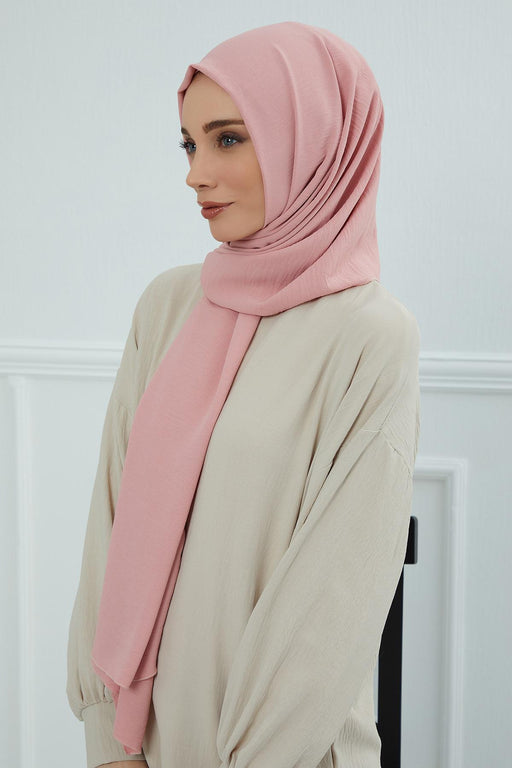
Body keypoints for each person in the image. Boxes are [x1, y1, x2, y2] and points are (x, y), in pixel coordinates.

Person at [66, 20, 421, 768]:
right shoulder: (168, 306)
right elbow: (111, 519)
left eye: (228, 139)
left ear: (314, 141)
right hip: (138, 745)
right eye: (189, 145)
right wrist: (110, 740)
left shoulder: (369, 336)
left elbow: (332, 604)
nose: (195, 175)